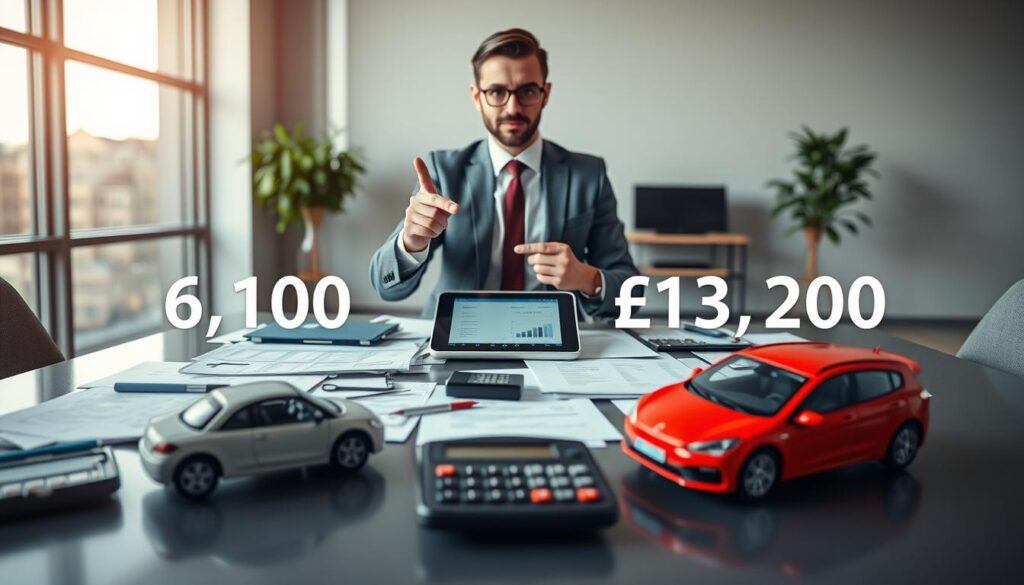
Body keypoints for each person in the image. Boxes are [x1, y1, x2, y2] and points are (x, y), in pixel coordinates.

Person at [369, 28, 638, 317]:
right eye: (497, 91)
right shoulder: (443, 172)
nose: (513, 107)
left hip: (552, 337)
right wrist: (411, 242)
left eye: (527, 91)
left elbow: (633, 295)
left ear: (545, 94)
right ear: (476, 96)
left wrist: (586, 278)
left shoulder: (589, 176)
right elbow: (387, 288)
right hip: (456, 332)